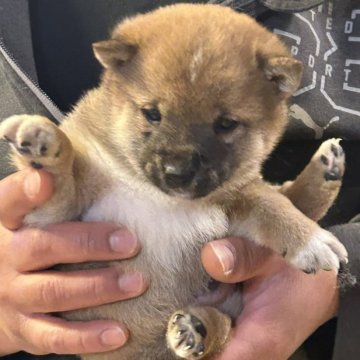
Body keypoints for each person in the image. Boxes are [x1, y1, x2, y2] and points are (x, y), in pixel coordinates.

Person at [0, 1, 359, 359]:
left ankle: (299, 208)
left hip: (269, 320)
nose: (178, 166)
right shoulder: (99, 135)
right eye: (153, 115)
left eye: (225, 126)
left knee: (253, 223)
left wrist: (338, 279)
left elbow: (251, 204)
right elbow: (51, 207)